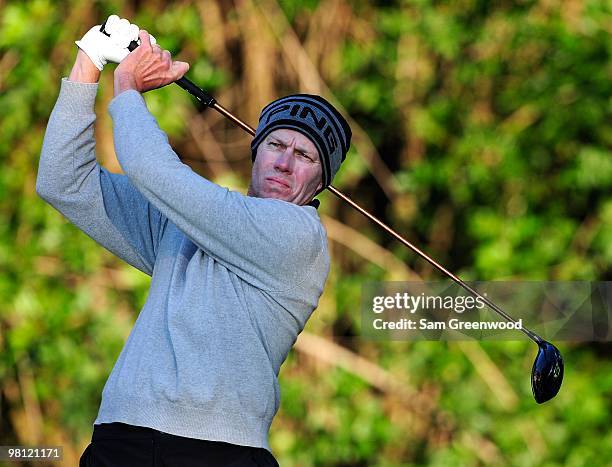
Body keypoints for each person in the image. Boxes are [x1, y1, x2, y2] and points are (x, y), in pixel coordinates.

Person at [36, 15, 352, 467]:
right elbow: (63, 181)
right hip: (122, 439)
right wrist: (90, 60)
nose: (284, 162)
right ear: (255, 151)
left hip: (220, 454)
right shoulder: (186, 223)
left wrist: (127, 88)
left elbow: (156, 174)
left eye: (304, 155)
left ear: (322, 180)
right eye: (275, 145)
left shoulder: (300, 237)